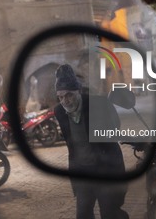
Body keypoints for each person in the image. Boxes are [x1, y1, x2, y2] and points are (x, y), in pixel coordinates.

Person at [53, 64, 128, 219]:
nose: (65, 101)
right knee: (83, 214)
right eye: (60, 97)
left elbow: (115, 126)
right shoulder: (59, 111)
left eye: (69, 95)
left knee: (110, 212)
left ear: (78, 91)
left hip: (105, 170)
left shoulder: (99, 104)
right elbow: (70, 142)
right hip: (82, 172)